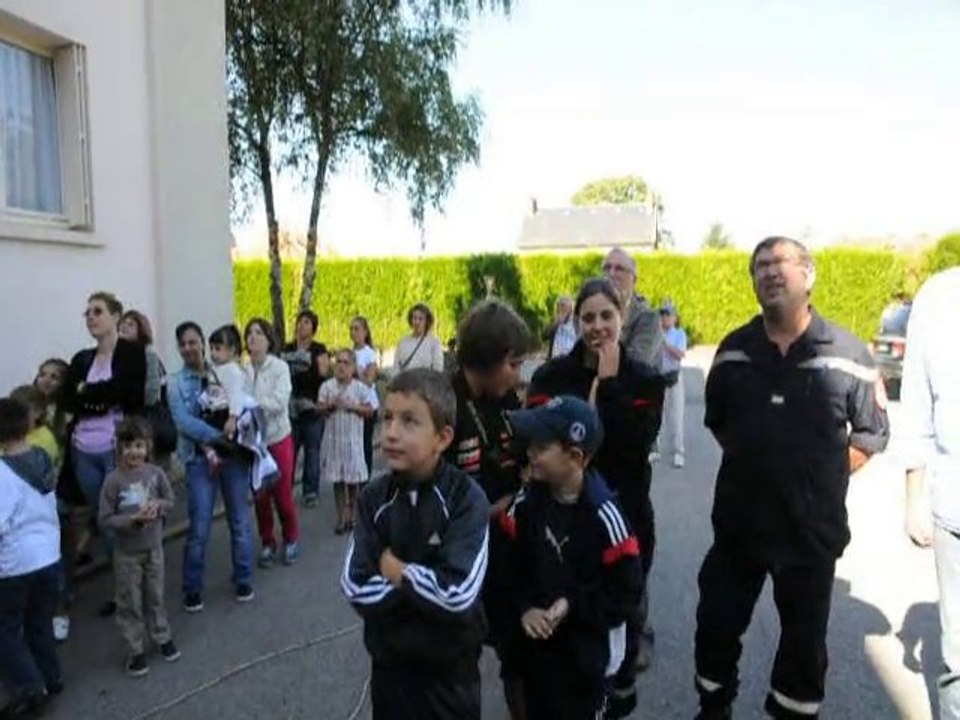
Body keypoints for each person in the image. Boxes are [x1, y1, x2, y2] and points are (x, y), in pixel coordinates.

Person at [694, 237, 889, 720]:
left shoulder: (848, 353)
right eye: (759, 266)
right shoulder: (734, 351)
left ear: (809, 275)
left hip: (809, 535)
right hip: (739, 530)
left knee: (803, 649)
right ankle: (714, 706)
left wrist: (817, 476)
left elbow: (869, 435)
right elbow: (719, 421)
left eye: (781, 262)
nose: (769, 272)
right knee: (715, 627)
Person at [524, 278, 664, 718]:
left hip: (624, 517)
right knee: (566, 622)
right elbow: (535, 443)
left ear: (622, 317)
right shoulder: (552, 376)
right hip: (561, 520)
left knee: (620, 616)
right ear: (576, 321)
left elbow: (631, 445)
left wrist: (609, 385)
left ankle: (616, 699)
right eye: (588, 317)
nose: (597, 326)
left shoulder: (645, 380)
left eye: (607, 316)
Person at [341, 368, 490, 720]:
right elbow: (355, 585)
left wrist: (395, 570)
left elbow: (457, 594)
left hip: (449, 678)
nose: (390, 433)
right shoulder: (373, 499)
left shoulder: (465, 499)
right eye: (387, 418)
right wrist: (421, 582)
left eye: (410, 422)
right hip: (390, 672)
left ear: (443, 437)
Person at [502, 395, 643, 719]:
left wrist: (572, 604)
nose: (530, 454)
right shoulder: (526, 505)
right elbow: (509, 569)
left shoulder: (606, 517)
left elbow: (625, 592)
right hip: (537, 657)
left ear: (575, 456)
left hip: (586, 663)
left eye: (541, 447)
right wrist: (524, 609)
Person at [445, 298, 534, 720]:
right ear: (490, 358)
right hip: (457, 561)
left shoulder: (508, 401)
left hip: (506, 554)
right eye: (513, 364)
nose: (518, 374)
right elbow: (427, 496)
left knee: (516, 652)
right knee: (458, 663)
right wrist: (487, 512)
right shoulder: (442, 403)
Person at [899, 267, 960, 719]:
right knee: (959, 661)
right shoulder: (939, 297)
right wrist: (913, 496)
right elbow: (916, 404)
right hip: (954, 508)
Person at [64, 291, 146, 617]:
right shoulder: (82, 360)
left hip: (117, 450)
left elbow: (127, 393)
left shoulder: (131, 353)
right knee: (106, 520)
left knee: (125, 517)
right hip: (84, 450)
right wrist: (98, 396)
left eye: (97, 311)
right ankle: (121, 587)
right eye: (87, 313)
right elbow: (69, 400)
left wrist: (90, 395)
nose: (91, 317)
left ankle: (135, 584)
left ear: (115, 316)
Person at [167, 321, 255, 612]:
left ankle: (243, 577)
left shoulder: (225, 369)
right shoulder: (176, 383)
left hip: (234, 456)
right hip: (198, 458)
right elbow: (183, 421)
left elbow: (244, 403)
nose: (189, 348)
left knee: (239, 520)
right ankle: (192, 588)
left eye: (194, 342)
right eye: (183, 344)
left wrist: (235, 427)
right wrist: (218, 437)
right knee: (200, 525)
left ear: (202, 342)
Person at [97, 418, 179, 677]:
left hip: (154, 548)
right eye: (128, 446)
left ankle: (162, 636)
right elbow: (105, 518)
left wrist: (158, 507)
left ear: (148, 447)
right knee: (129, 601)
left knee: (155, 595)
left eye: (139, 446)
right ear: (118, 448)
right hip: (127, 554)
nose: (134, 452)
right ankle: (136, 649)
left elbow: (170, 500)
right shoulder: (113, 480)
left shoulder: (155, 473)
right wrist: (131, 521)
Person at [0, 397, 63, 719]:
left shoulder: (2, 473)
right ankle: (52, 678)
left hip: (16, 562)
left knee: (7, 629)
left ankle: (29, 686)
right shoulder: (41, 457)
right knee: (39, 622)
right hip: (49, 553)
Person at [244, 318, 300, 568]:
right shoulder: (243, 370)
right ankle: (268, 541)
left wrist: (252, 405)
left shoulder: (279, 368)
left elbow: (279, 403)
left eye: (258, 333)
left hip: (278, 439)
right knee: (260, 497)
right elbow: (235, 400)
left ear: (269, 339)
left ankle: (291, 538)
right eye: (249, 334)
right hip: (252, 444)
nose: (253, 338)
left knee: (282, 495)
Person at [318, 349, 378, 534]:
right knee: (338, 480)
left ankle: (352, 515)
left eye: (346, 363)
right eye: (339, 362)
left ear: (353, 367)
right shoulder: (327, 386)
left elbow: (371, 410)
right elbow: (318, 409)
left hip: (353, 441)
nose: (341, 366)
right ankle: (341, 517)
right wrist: (330, 406)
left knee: (353, 480)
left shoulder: (360, 388)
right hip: (334, 440)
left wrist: (353, 407)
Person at [280, 310, 329, 508]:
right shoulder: (287, 348)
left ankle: (310, 491)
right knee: (289, 452)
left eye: (307, 322)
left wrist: (317, 403)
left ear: (313, 327)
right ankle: (285, 489)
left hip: (312, 407)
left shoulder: (319, 349)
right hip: (290, 408)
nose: (302, 325)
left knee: (312, 451)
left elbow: (323, 376)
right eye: (300, 322)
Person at [198, 324, 251, 475]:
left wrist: (233, 418)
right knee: (200, 434)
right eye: (212, 348)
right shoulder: (216, 369)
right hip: (213, 409)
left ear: (232, 350)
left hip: (223, 412)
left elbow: (236, 395)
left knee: (202, 434)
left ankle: (214, 456)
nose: (213, 353)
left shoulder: (232, 370)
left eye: (218, 349)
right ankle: (214, 456)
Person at [601, 248, 664, 368]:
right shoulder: (594, 314)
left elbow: (635, 364)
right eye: (607, 268)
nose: (611, 274)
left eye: (619, 269)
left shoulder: (649, 318)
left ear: (634, 280)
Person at [655, 301, 688, 469]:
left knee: (676, 416)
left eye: (668, 315)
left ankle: (678, 451)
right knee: (657, 414)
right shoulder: (655, 335)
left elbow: (680, 354)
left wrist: (665, 344)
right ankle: (655, 447)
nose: (664, 318)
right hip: (659, 377)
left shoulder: (679, 334)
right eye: (662, 315)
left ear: (674, 318)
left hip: (673, 378)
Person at [350, 316, 379, 475]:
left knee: (365, 443)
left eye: (357, 329)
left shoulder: (370, 354)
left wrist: (356, 372)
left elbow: (369, 380)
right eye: (351, 329)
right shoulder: (349, 353)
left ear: (365, 332)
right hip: (352, 404)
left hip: (368, 404)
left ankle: (366, 476)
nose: (354, 333)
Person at [119, 310, 163, 408]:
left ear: (141, 329)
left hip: (142, 411)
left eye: (130, 325)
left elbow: (151, 391)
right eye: (122, 324)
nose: (124, 327)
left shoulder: (148, 352)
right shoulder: (114, 352)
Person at [394, 303, 444, 373]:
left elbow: (438, 369)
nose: (417, 322)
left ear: (427, 321)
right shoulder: (402, 342)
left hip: (426, 382)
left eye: (420, 319)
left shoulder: (434, 342)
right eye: (414, 318)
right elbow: (396, 368)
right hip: (405, 382)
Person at [542, 295, 577, 360]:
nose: (562, 309)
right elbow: (544, 336)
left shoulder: (577, 323)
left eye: (564, 306)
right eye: (560, 306)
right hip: (554, 362)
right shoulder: (554, 321)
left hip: (572, 362)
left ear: (571, 308)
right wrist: (556, 323)